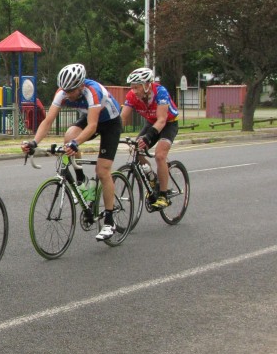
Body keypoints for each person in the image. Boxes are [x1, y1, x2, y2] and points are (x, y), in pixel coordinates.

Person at [20, 63, 123, 241]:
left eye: (71, 91)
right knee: (68, 136)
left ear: (81, 86)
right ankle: (81, 180)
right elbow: (48, 121)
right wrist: (34, 142)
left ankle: (109, 220)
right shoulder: (62, 92)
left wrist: (76, 143)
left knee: (102, 170)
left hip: (110, 123)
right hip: (90, 118)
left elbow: (92, 126)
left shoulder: (93, 91)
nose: (67, 94)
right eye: (65, 90)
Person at [119, 67, 179, 209]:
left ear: (146, 85)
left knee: (160, 156)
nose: (134, 91)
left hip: (168, 123)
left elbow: (162, 120)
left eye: (137, 87)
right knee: (136, 149)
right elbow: (122, 118)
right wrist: (113, 133)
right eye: (132, 87)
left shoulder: (160, 92)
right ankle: (152, 178)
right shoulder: (132, 96)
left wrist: (147, 137)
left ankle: (163, 196)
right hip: (151, 123)